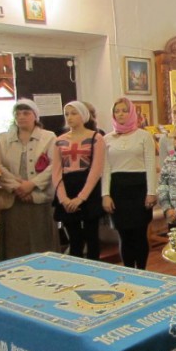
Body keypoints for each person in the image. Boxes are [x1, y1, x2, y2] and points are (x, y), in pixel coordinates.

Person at [0, 99, 59, 260]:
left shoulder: (49, 137)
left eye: (26, 113)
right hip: (12, 199)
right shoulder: (2, 139)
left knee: (42, 242)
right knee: (15, 243)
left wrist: (32, 184)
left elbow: (55, 164)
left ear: (35, 116)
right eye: (18, 114)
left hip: (39, 197)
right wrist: (17, 187)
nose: (21, 117)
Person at [102, 98, 158, 269]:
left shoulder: (144, 136)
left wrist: (151, 192)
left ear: (132, 113)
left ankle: (141, 270)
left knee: (139, 234)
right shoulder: (107, 139)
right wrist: (105, 195)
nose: (120, 114)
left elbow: (150, 164)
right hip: (118, 189)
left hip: (139, 188)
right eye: (117, 111)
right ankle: (128, 270)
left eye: (124, 110)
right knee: (124, 235)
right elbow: (105, 168)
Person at [52, 101, 105, 260]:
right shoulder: (59, 140)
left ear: (83, 115)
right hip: (67, 188)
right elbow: (56, 172)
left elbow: (96, 170)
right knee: (74, 239)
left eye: (74, 113)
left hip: (89, 189)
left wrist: (81, 198)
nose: (69, 117)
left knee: (92, 237)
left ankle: (95, 269)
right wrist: (64, 199)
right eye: (67, 114)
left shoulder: (96, 138)